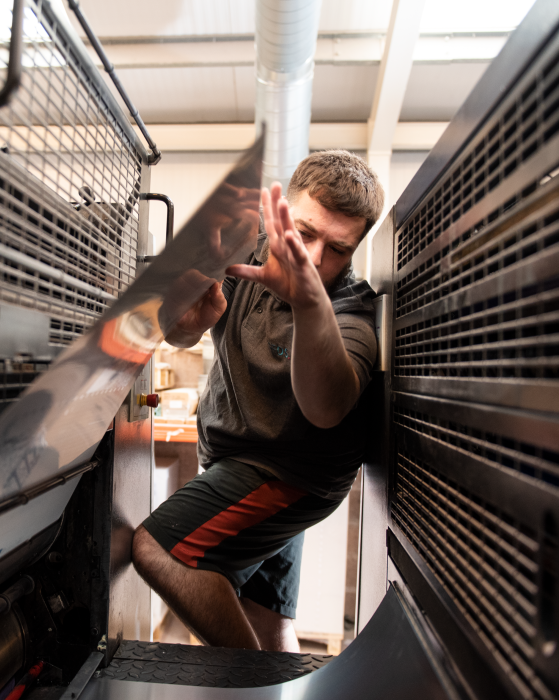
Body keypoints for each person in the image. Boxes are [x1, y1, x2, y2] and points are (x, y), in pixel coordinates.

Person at [131, 150, 383, 652]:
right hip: (237, 461)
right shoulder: (243, 255)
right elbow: (179, 335)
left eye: (337, 248)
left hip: (291, 477)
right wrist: (187, 321)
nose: (313, 258)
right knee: (268, 622)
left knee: (160, 550)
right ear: (278, 217)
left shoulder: (352, 313)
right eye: (303, 233)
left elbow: (325, 408)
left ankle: (251, 688)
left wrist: (311, 303)